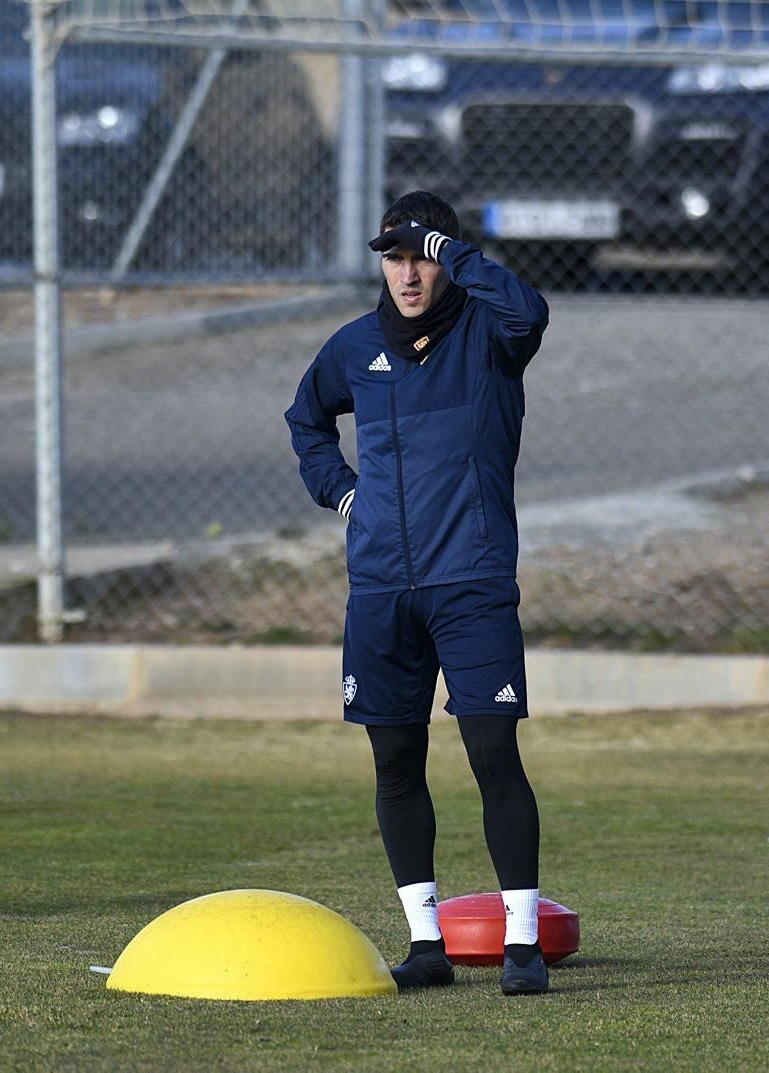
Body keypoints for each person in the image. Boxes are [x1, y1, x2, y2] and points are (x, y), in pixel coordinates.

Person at [285, 190, 550, 995]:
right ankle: (426, 941)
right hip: (381, 589)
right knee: (395, 760)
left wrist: (452, 248)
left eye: (423, 256)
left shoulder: (491, 336)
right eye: (395, 257)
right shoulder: (356, 345)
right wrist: (344, 494)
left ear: (449, 259)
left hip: (469, 580)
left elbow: (531, 309)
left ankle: (523, 945)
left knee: (492, 753)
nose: (408, 272)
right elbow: (305, 419)